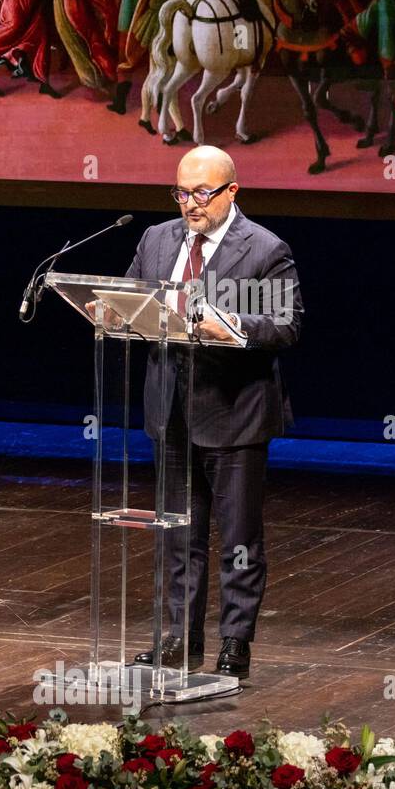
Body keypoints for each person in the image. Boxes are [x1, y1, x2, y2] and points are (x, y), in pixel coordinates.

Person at [120, 146, 303, 678]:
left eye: (201, 193)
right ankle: (179, 640)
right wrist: (112, 310)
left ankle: (235, 643)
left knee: (239, 538)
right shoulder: (156, 239)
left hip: (234, 413)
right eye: (181, 193)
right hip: (169, 412)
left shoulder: (266, 249)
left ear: (231, 191)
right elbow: (132, 297)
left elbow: (288, 325)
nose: (190, 205)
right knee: (179, 534)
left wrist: (237, 329)